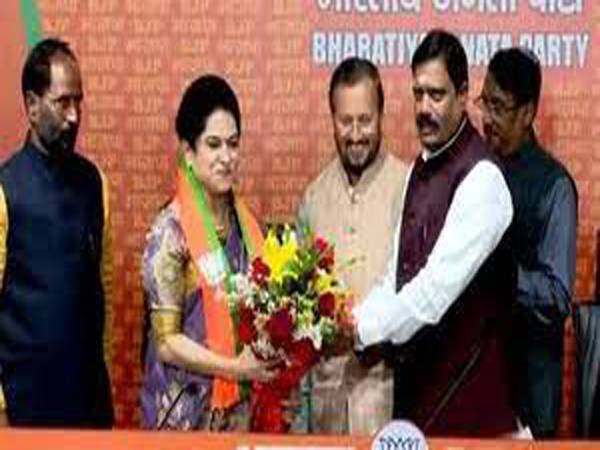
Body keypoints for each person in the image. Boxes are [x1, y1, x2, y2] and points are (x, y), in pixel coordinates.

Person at [353, 29, 518, 436]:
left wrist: (359, 329)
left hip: (471, 411)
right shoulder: (419, 168)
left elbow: (431, 295)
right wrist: (349, 320)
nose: (424, 108)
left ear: (463, 96)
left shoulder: (483, 179)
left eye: (437, 95)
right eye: (418, 94)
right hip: (416, 403)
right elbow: (394, 278)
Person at [140, 74, 276, 431]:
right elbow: (166, 343)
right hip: (183, 419)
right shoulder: (170, 232)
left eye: (233, 144)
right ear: (189, 153)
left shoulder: (250, 228)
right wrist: (235, 368)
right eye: (213, 145)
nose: (226, 157)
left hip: (238, 417)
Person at [0, 38, 113, 427]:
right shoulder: (5, 190)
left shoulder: (95, 183)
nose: (74, 116)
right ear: (32, 105)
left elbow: (103, 292)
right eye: (62, 102)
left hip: (89, 407)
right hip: (23, 409)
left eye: (78, 102)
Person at [297, 57, 408, 435]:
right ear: (332, 119)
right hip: (325, 406)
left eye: (365, 120)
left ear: (381, 117)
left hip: (390, 403)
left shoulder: (409, 189)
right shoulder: (313, 198)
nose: (356, 134)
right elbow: (300, 311)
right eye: (346, 121)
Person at [478, 47, 577, 438]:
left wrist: (504, 276)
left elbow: (557, 295)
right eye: (484, 103)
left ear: (528, 113)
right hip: (478, 380)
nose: (487, 118)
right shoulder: (474, 171)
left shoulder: (555, 187)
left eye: (498, 107)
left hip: (531, 390)